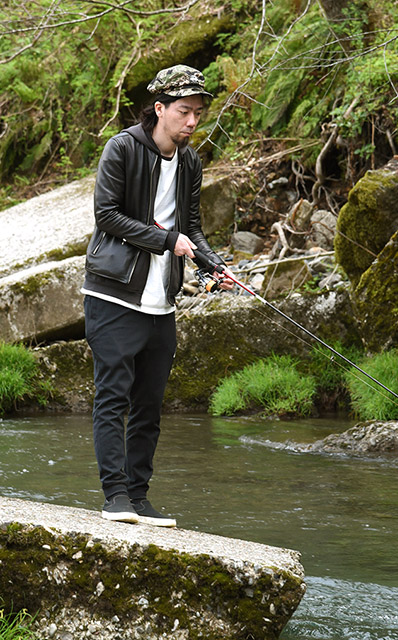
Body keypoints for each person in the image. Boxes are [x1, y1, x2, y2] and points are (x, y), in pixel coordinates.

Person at [82, 64, 233, 527]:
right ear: (160, 109)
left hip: (160, 301)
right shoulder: (122, 148)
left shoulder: (190, 161)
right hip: (112, 294)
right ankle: (115, 498)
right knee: (113, 398)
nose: (192, 122)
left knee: (149, 404)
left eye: (198, 113)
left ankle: (140, 497)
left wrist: (214, 263)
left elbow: (192, 228)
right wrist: (167, 241)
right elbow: (106, 216)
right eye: (184, 112)